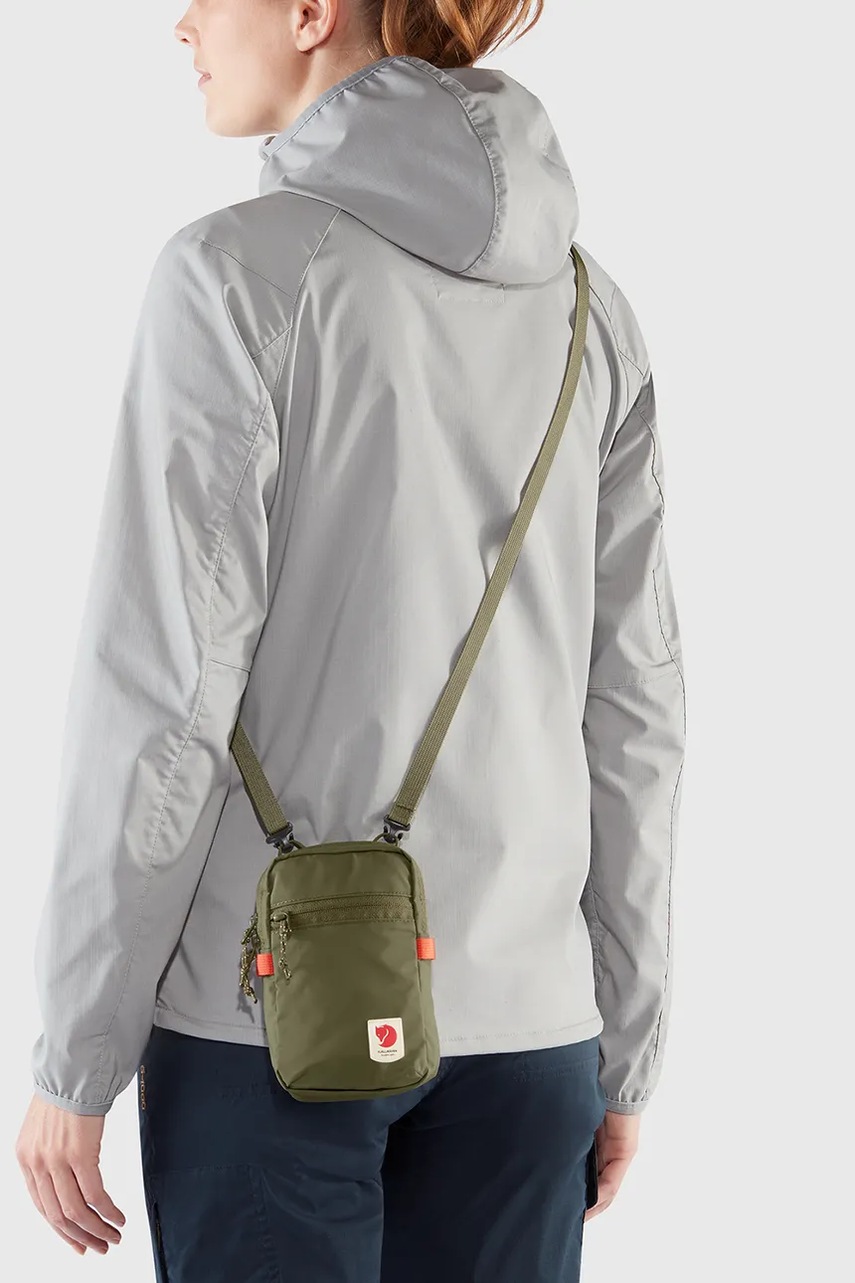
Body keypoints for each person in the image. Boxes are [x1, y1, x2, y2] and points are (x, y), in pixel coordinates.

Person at [15, 2, 687, 1280]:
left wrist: (77, 1054)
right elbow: (637, 707)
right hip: (533, 1032)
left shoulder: (235, 276)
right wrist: (626, 1044)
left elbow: (164, 693)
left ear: (311, 12)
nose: (181, 25)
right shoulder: (591, 308)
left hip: (273, 1019)